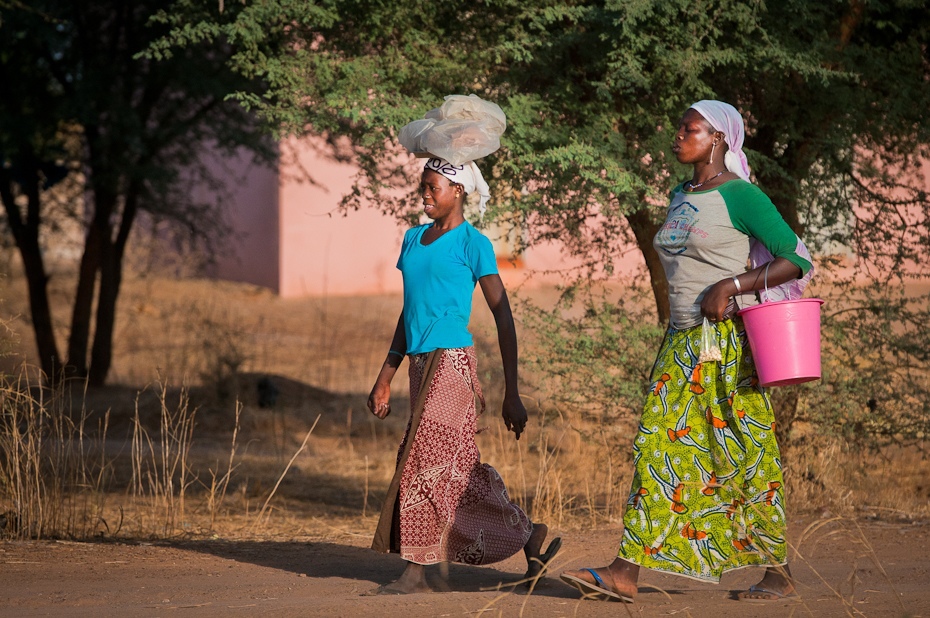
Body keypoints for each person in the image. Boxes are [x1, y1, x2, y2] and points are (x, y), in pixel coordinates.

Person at [560, 100, 812, 603]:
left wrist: (733, 284)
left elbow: (796, 258)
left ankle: (776, 573)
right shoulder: (681, 194)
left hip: (724, 346)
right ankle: (625, 572)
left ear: (718, 138)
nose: (677, 136)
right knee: (659, 447)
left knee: (742, 452)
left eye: (689, 128)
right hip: (680, 343)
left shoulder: (742, 197)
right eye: (678, 127)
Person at [367, 155, 561, 595]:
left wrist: (512, 392)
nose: (425, 194)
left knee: (423, 458)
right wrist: (386, 375)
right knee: (456, 469)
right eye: (423, 186)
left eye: (434, 187)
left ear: (458, 191)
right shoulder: (413, 239)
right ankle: (525, 532)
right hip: (419, 365)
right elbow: (409, 311)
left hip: (453, 363)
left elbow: (503, 315)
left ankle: (416, 571)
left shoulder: (474, 244)